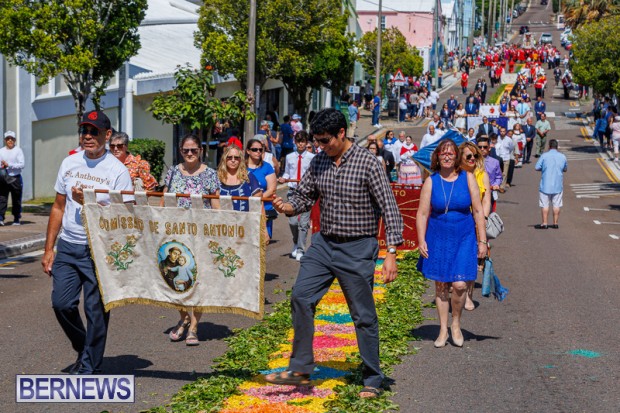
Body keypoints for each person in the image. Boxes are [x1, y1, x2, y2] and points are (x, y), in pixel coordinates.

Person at [264, 108, 403, 399]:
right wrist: (285, 206)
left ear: (342, 133)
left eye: (325, 140)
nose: (320, 146)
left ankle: (372, 378)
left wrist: (390, 252)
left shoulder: (369, 164)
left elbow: (390, 208)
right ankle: (301, 368)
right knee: (301, 297)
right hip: (324, 244)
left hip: (358, 247)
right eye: (316, 141)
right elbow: (303, 196)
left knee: (363, 315)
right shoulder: (319, 162)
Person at [41, 110, 134, 374]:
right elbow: (58, 206)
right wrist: (49, 248)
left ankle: (89, 365)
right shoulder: (69, 163)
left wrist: (89, 203)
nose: (88, 136)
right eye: (84, 131)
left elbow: (124, 217)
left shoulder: (118, 171)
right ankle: (84, 347)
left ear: (107, 135)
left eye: (94, 131)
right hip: (69, 246)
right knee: (62, 303)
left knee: (95, 311)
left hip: (99, 249)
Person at [416, 139, 487, 347]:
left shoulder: (468, 178)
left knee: (459, 284)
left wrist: (482, 240)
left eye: (451, 153)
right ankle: (442, 330)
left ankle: (456, 323)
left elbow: (478, 211)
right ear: (437, 157)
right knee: (441, 285)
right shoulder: (431, 181)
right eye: (443, 153)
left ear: (456, 157)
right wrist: (421, 240)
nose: (447, 156)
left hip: (464, 236)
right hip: (438, 236)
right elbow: (421, 213)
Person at [163, 134, 221, 346]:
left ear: (200, 152)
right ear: (180, 151)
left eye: (193, 150)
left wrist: (217, 233)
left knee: (197, 281)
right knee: (175, 280)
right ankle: (182, 318)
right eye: (186, 150)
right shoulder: (172, 173)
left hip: (200, 234)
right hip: (176, 235)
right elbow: (165, 200)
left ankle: (194, 327)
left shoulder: (211, 175)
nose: (189, 154)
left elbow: (215, 206)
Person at [459, 141, 491, 311]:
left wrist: (483, 219)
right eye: (469, 156)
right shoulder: (455, 175)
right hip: (460, 220)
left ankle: (469, 295)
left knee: (472, 258)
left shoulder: (481, 174)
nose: (473, 159)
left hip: (476, 222)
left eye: (475, 156)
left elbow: (486, 199)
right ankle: (458, 289)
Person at [278, 131, 315, 260]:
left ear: (306, 142)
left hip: (306, 192)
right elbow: (288, 173)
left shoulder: (312, 157)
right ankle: (295, 242)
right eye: (298, 141)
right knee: (293, 221)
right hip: (293, 191)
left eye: (303, 141)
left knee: (304, 223)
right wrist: (284, 178)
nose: (301, 144)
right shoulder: (290, 157)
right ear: (295, 142)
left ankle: (301, 249)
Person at [246, 138, 277, 238]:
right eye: (255, 149)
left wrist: (256, 199)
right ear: (248, 151)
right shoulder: (241, 167)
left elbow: (272, 189)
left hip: (264, 208)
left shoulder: (267, 167)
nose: (258, 152)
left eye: (260, 149)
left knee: (263, 242)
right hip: (245, 209)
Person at [217, 143, 263, 212]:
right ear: (224, 159)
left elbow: (258, 201)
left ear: (240, 159)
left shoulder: (249, 177)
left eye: (236, 158)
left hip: (244, 220)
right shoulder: (216, 177)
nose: (233, 160)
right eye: (229, 157)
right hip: (221, 221)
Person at [535, 139, 567, 229]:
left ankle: (544, 223)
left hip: (545, 184)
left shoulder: (544, 156)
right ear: (557, 147)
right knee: (556, 204)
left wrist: (544, 168)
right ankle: (555, 223)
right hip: (557, 184)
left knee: (545, 204)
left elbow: (537, 167)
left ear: (549, 146)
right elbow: (565, 168)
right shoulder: (562, 156)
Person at [0, 130, 25, 225]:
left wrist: (9, 165)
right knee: (2, 197)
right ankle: (1, 217)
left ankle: (16, 218)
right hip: (3, 178)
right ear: (5, 140)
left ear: (14, 140)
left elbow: (22, 164)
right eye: (8, 139)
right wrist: (2, 165)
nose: (10, 141)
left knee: (16, 199)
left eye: (12, 139)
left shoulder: (18, 150)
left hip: (15, 178)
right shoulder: (1, 151)